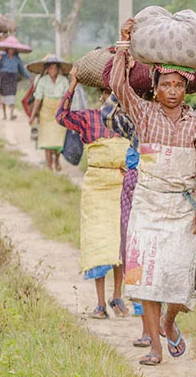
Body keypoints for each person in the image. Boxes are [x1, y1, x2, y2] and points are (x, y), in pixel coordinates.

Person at [112, 19, 196, 367]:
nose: (172, 91)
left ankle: (170, 321)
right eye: (166, 85)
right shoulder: (144, 115)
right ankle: (156, 348)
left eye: (178, 85)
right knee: (148, 278)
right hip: (147, 204)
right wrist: (124, 44)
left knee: (180, 275)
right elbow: (118, 85)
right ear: (154, 88)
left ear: (186, 89)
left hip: (181, 208)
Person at [57, 86, 137, 319]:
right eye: (107, 93)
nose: (111, 97)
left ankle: (117, 295)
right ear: (101, 96)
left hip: (123, 186)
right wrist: (71, 86)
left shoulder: (129, 122)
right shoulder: (89, 117)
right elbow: (61, 117)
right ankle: (100, 303)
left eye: (116, 93)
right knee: (98, 243)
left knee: (120, 243)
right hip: (96, 187)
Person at [29, 57, 71, 171]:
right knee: (46, 140)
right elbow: (38, 99)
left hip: (59, 112)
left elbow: (67, 98)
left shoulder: (63, 80)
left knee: (58, 140)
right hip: (46, 113)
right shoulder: (42, 81)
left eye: (55, 68)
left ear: (58, 69)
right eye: (51, 68)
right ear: (47, 69)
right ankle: (49, 165)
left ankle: (56, 160)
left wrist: (66, 112)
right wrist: (32, 116)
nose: (53, 71)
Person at [0, 46, 27, 120]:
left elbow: (22, 70)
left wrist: (28, 77)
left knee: (12, 95)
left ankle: (11, 114)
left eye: (13, 49)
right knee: (3, 96)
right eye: (10, 49)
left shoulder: (17, 59)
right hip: (4, 78)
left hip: (13, 78)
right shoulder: (3, 57)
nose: (11, 50)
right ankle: (4, 114)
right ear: (7, 49)